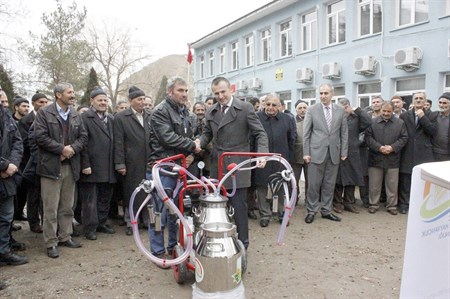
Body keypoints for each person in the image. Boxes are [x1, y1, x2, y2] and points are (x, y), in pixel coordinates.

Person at [198, 76, 268, 249]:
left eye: (223, 92)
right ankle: (222, 242)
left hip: (238, 164)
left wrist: (262, 154)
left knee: (239, 205)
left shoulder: (245, 108)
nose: (220, 96)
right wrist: (198, 143)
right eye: (216, 94)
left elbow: (260, 133)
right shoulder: (211, 111)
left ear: (231, 90)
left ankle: (243, 244)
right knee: (219, 206)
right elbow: (207, 134)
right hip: (218, 164)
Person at [147, 76, 200, 264]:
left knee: (176, 212)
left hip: (179, 169)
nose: (184, 94)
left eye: (186, 91)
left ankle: (173, 247)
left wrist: (192, 154)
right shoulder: (160, 112)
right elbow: (167, 138)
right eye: (180, 90)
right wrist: (192, 146)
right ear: (170, 92)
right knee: (159, 212)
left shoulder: (185, 112)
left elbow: (195, 133)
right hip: (162, 169)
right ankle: (157, 251)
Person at [34, 82, 87, 258]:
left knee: (67, 206)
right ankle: (51, 243)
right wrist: (61, 149)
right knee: (50, 208)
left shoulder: (74, 114)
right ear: (58, 95)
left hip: (70, 167)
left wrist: (71, 149)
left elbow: (83, 137)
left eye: (73, 92)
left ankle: (65, 236)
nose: (73, 95)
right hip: (51, 168)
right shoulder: (44, 113)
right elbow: (40, 137)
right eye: (69, 92)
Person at [303, 83, 348, 224]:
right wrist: (306, 152)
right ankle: (311, 211)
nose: (323, 96)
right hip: (316, 152)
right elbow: (306, 133)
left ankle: (326, 211)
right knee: (313, 185)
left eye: (326, 93)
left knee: (329, 184)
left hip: (334, 152)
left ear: (332, 94)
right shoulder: (312, 110)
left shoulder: (340, 110)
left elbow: (344, 132)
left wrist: (344, 151)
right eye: (321, 93)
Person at [79, 87, 116, 241]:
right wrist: (85, 164)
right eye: (99, 100)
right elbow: (83, 144)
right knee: (90, 200)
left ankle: (101, 222)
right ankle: (90, 227)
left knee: (104, 197)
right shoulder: (85, 118)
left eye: (105, 100)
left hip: (108, 166)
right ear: (91, 101)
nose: (103, 103)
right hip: (92, 166)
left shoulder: (111, 119)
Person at [114, 86, 151, 235]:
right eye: (139, 99)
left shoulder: (150, 115)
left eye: (143, 99)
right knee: (131, 192)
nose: (142, 102)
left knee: (148, 191)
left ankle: (147, 220)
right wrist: (120, 163)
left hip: (148, 160)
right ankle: (131, 222)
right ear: (131, 101)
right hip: (131, 162)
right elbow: (118, 141)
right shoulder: (121, 117)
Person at [254, 94, 296, 227]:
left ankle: (282, 213)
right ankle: (265, 215)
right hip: (262, 158)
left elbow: (292, 139)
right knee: (262, 187)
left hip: (281, 158)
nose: (271, 107)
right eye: (268, 104)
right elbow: (251, 137)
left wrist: (289, 157)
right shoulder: (256, 118)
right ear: (264, 104)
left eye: (274, 105)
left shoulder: (287, 119)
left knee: (282, 186)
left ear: (279, 106)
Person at [365, 102, 408, 215]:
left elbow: (404, 138)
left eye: (389, 111)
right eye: (384, 111)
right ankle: (373, 204)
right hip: (376, 158)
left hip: (393, 158)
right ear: (381, 110)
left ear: (392, 111)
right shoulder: (372, 122)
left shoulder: (400, 123)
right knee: (374, 184)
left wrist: (392, 147)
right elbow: (368, 138)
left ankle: (392, 206)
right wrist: (379, 147)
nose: (386, 113)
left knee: (392, 185)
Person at [398, 92, 437, 214]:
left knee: (422, 182)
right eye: (416, 98)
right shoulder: (404, 115)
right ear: (412, 101)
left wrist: (422, 117)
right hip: (408, 151)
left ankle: (420, 206)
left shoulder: (432, 115)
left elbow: (432, 131)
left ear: (425, 101)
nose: (419, 100)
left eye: (421, 98)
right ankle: (404, 204)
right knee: (406, 180)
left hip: (424, 153)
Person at [0, 102, 28, 266]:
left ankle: (4, 252)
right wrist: (3, 166)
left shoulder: (5, 116)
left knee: (6, 218)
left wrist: (12, 165)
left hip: (8, 177)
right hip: (5, 169)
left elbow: (17, 142)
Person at [333, 98, 372, 214]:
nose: (344, 110)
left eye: (346, 107)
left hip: (353, 153)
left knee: (352, 179)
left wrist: (358, 110)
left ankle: (348, 203)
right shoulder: (336, 119)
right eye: (342, 108)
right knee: (339, 180)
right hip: (339, 153)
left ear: (350, 107)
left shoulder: (356, 118)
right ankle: (337, 203)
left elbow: (369, 122)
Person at [17, 92, 48, 233]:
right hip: (31, 163)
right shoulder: (25, 121)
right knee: (33, 195)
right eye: (41, 102)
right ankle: (33, 222)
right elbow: (24, 143)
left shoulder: (49, 118)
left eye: (46, 102)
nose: (44, 105)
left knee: (45, 195)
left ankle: (45, 221)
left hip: (46, 163)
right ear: (34, 103)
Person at [293, 100, 308, 205]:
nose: (302, 110)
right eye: (300, 108)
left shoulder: (312, 120)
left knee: (310, 179)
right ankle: (294, 197)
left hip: (309, 155)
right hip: (296, 155)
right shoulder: (292, 121)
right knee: (294, 179)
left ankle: (309, 199)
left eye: (304, 108)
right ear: (296, 110)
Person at [432, 92, 450, 161]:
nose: (441, 105)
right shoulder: (433, 115)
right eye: (440, 102)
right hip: (433, 153)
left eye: (444, 103)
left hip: (447, 155)